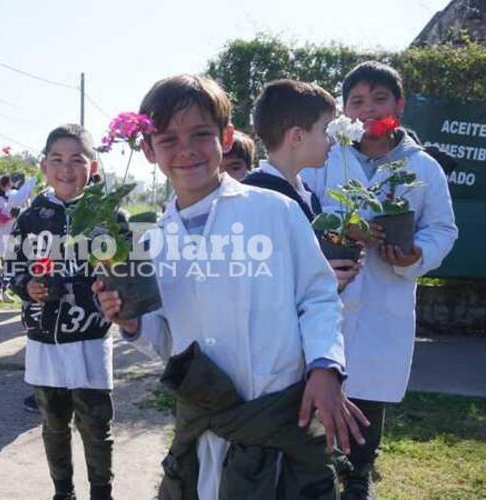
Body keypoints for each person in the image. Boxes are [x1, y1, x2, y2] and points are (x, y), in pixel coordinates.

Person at [94, 74, 367, 500]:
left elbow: (318, 297)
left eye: (201, 134)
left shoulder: (274, 212)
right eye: (168, 139)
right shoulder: (151, 241)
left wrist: (324, 367)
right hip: (207, 422)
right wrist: (130, 322)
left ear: (224, 137)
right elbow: (167, 339)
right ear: (148, 149)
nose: (186, 149)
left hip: (281, 416)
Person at [301, 61, 458, 499]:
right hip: (327, 293)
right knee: (320, 380)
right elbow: (298, 209)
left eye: (379, 99)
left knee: (368, 389)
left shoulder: (422, 167)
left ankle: (359, 474)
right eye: (357, 102)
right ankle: (318, 468)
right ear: (344, 112)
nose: (368, 109)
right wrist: (334, 229)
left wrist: (415, 253)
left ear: (399, 106)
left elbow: (443, 228)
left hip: (386, 293)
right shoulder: (326, 156)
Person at [6, 124, 119, 500]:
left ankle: (101, 491)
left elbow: (128, 270)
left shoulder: (107, 216)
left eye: (77, 160)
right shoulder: (30, 217)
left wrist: (112, 282)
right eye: (57, 160)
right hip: (43, 336)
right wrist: (27, 287)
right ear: (43, 165)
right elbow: (11, 268)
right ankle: (63, 491)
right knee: (53, 422)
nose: (66, 169)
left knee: (95, 422)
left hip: (90, 335)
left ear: (93, 167)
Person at [243, 79, 361, 292]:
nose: (332, 140)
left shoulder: (306, 194)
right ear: (297, 136)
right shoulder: (257, 196)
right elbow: (255, 275)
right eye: (325, 130)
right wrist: (319, 282)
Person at [0, 173, 38, 302]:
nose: (10, 185)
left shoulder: (14, 198)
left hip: (15, 237)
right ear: (2, 185)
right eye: (7, 183)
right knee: (5, 265)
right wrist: (9, 216)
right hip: (3, 237)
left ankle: (3, 291)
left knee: (10, 265)